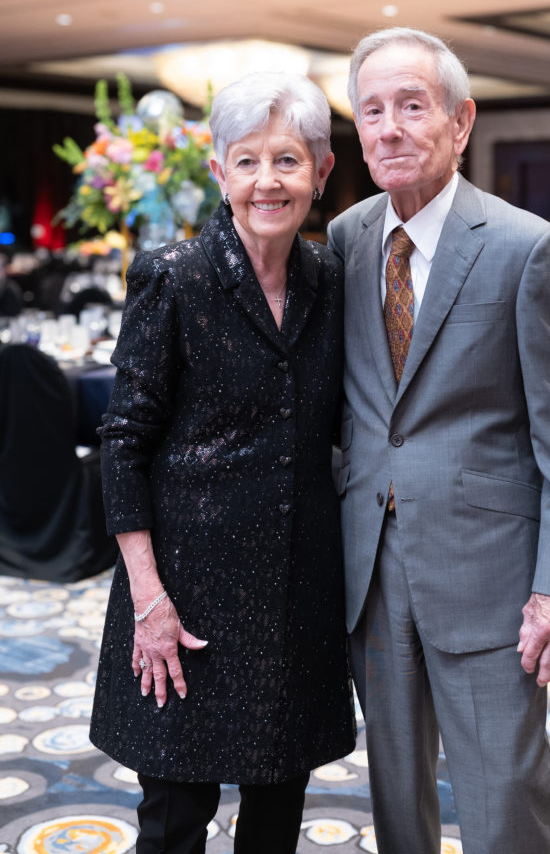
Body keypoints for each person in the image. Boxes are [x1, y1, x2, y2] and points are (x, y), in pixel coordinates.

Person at [327, 27, 550, 854]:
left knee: (505, 795)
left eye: (412, 106)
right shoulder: (343, 242)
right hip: (370, 566)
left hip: (490, 572)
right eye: (371, 111)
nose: (389, 128)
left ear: (461, 120)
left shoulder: (524, 248)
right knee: (395, 793)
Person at [90, 71, 356, 854]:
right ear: (217, 171)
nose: (266, 182)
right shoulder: (175, 277)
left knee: (277, 812)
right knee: (175, 815)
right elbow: (123, 440)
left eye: (287, 160)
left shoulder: (331, 278)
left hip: (296, 592)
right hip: (186, 599)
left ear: (322, 171)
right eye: (246, 162)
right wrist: (149, 601)